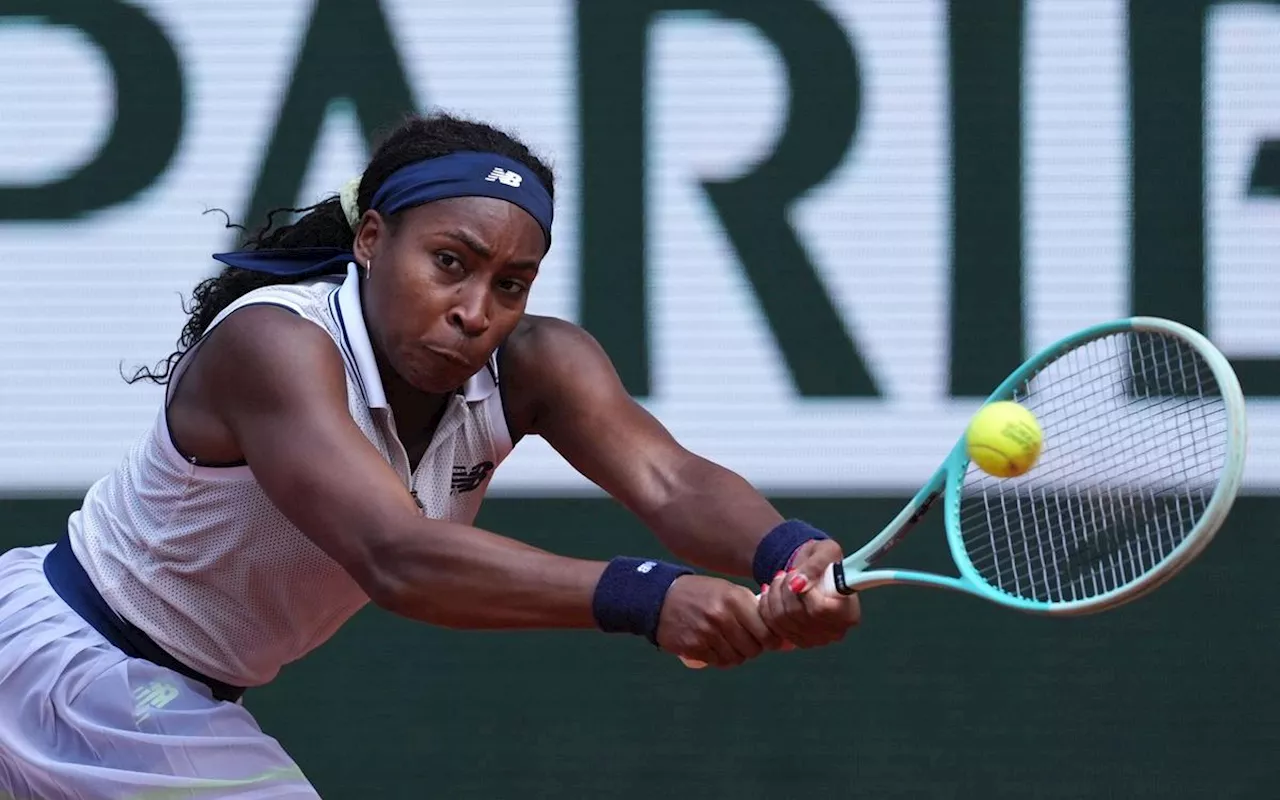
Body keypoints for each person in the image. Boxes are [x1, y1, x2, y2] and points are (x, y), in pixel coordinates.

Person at [0, 112, 860, 798]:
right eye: (449, 263)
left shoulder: (535, 365)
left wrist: (784, 555)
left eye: (510, 284)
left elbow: (671, 480)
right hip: (73, 662)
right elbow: (398, 556)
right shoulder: (275, 345)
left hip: (141, 690)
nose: (475, 310)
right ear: (371, 240)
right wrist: (648, 595)